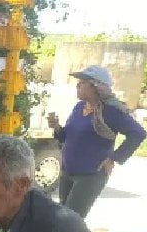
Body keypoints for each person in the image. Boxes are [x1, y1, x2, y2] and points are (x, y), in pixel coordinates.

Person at [47, 65, 145, 218]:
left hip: (89, 175)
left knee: (71, 220)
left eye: (82, 82)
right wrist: (57, 127)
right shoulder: (79, 107)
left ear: (96, 87)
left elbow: (138, 133)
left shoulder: (110, 112)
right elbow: (68, 135)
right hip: (68, 171)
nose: (77, 85)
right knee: (62, 220)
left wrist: (114, 158)